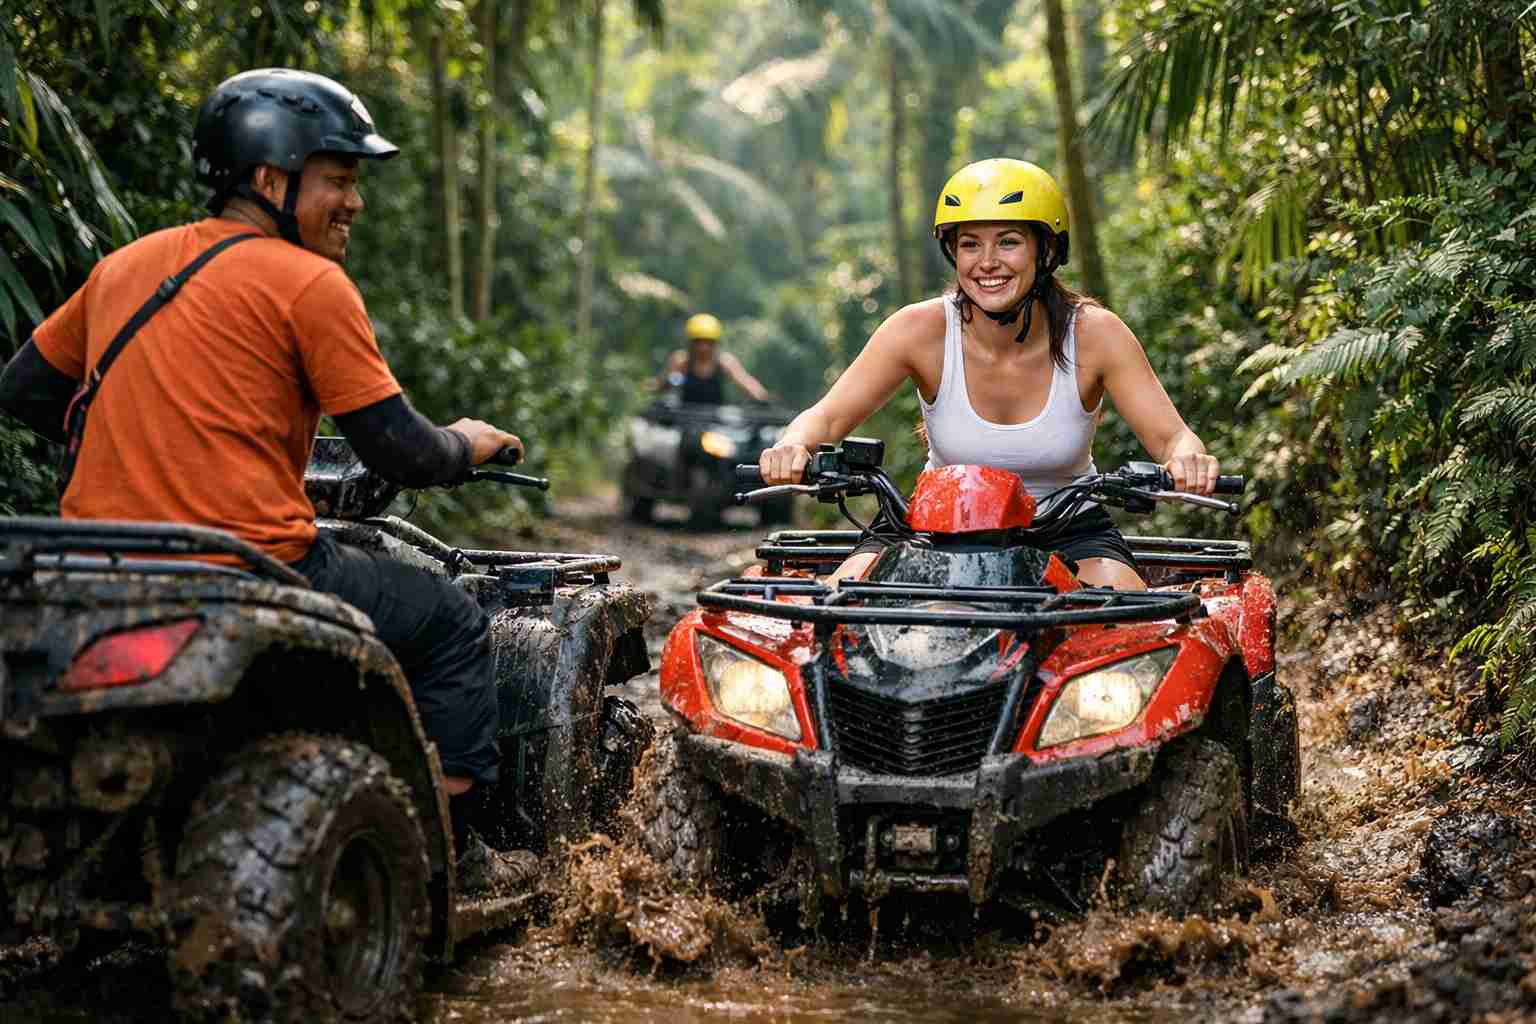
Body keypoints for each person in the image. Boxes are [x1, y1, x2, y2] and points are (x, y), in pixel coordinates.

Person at [0, 68, 533, 893]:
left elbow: (26, 388)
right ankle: (452, 853)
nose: (354, 202)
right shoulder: (310, 285)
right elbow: (402, 454)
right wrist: (469, 441)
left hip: (94, 570)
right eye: (341, 180)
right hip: (251, 566)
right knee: (453, 621)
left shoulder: (124, 268)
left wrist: (141, 451)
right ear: (270, 179)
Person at [758, 158, 1220, 590]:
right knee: (836, 612)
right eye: (970, 244)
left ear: (1047, 250)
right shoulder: (918, 330)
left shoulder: (1096, 334)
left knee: (1128, 626)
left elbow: (1172, 438)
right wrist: (793, 445)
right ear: (952, 254)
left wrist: (1187, 461)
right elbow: (825, 419)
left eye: (1009, 241)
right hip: (932, 526)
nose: (987, 262)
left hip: (1069, 530)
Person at [655, 313, 773, 404]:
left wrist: (763, 398)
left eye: (708, 342)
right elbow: (658, 387)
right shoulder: (681, 361)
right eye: (698, 341)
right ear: (690, 342)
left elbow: (746, 382)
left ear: (716, 343)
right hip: (684, 420)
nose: (703, 347)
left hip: (715, 422)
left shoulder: (724, 362)